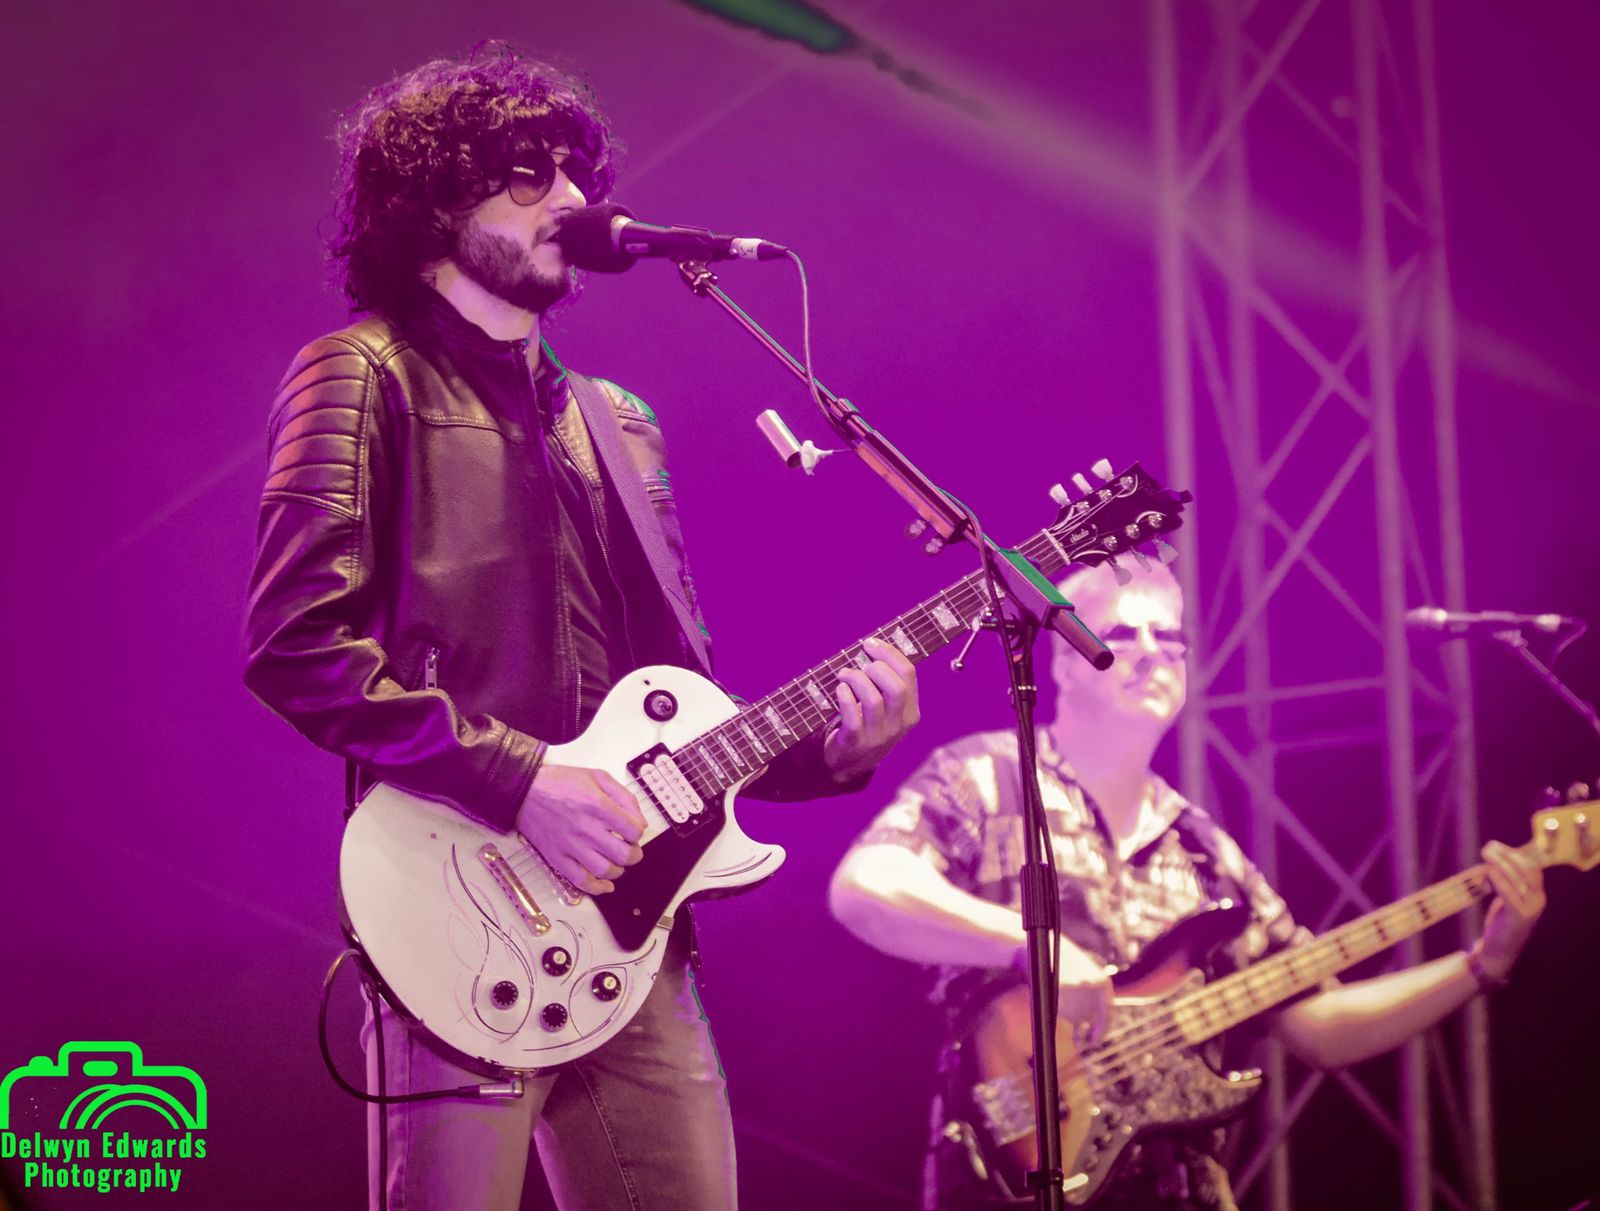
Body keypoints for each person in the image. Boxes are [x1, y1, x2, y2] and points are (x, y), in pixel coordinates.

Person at [242, 45, 919, 1211]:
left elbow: (684, 705)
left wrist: (837, 749)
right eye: (526, 173)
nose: (568, 197)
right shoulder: (358, 375)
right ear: (435, 203)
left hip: (633, 932)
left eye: (574, 171)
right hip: (462, 907)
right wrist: (520, 781)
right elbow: (296, 643)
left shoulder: (618, 422)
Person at [828, 562, 1545, 1210]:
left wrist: (1481, 964)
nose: (1152, 651)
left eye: (1170, 639)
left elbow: (1315, 1023)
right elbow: (865, 885)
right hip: (1007, 1183)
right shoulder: (985, 776)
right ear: (1064, 664)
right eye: (1122, 634)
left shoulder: (1205, 849)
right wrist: (1028, 946)